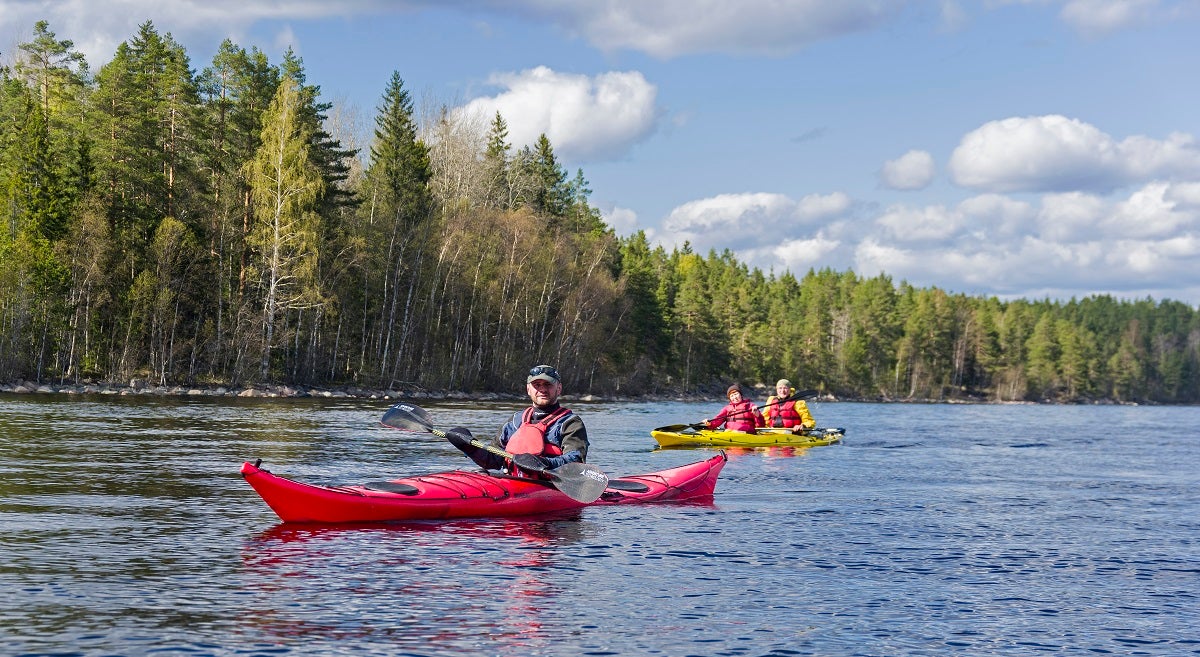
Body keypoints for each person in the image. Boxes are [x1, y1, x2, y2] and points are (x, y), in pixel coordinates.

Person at [446, 364, 589, 475]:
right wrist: (470, 446)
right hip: (512, 481)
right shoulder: (515, 421)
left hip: (550, 485)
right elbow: (493, 459)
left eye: (548, 385)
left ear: (558, 389)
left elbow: (575, 460)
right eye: (537, 385)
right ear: (528, 389)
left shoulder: (570, 423)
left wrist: (544, 463)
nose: (542, 390)